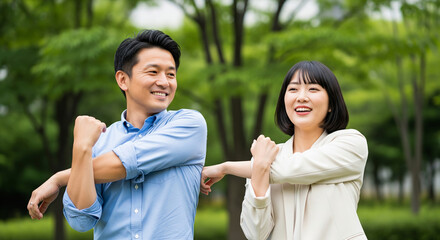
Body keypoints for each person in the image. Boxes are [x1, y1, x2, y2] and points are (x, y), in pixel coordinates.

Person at [27, 29, 207, 240]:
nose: (164, 82)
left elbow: (128, 161)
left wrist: (60, 178)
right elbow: (81, 220)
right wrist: (82, 148)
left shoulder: (189, 125)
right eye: (153, 72)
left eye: (171, 74)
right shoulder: (100, 140)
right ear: (123, 80)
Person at [201, 61, 368, 240]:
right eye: (293, 89)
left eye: (313, 89)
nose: (301, 97)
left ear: (331, 104)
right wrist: (258, 167)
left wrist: (227, 168)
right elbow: (255, 234)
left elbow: (293, 168)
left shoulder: (350, 143)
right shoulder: (265, 157)